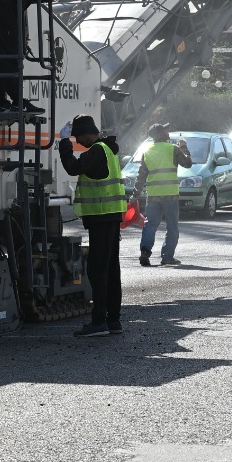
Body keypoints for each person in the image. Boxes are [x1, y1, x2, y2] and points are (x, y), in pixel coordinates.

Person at [0, 0, 92, 112]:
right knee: (9, 52)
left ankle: (1, 100)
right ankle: (16, 100)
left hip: (2, 5)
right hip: (4, 7)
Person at [58, 114, 124, 337]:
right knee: (111, 269)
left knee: (98, 270)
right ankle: (113, 320)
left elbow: (73, 167)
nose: (78, 142)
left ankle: (99, 322)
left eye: (78, 137)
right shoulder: (109, 150)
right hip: (111, 216)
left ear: (88, 134)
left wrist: (64, 143)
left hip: (101, 217)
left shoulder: (97, 151)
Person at [137, 125, 192, 266]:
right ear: (161, 133)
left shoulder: (147, 151)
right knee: (172, 226)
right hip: (170, 195)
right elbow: (187, 163)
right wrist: (184, 147)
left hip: (153, 196)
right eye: (165, 130)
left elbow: (141, 176)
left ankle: (145, 252)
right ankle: (167, 257)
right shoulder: (173, 149)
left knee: (150, 225)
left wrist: (135, 195)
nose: (168, 132)